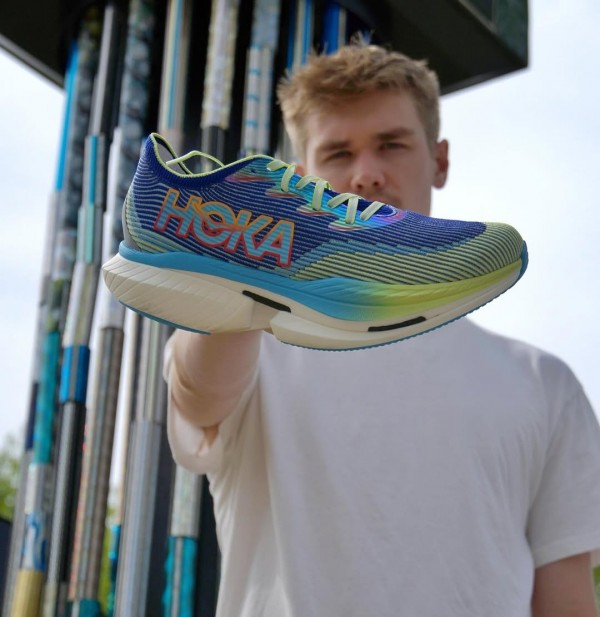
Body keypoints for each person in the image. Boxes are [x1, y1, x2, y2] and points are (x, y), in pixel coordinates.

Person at [164, 42, 600, 616]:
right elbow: (199, 396)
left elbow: (566, 599)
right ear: (301, 180)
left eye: (391, 145)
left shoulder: (545, 384)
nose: (366, 175)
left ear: (439, 161)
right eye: (338, 153)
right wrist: (249, 265)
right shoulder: (247, 338)